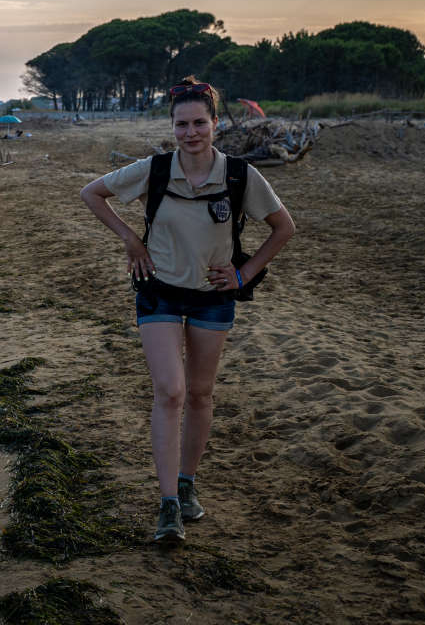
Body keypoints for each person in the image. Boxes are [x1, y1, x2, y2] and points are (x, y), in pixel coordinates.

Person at [80, 77, 295, 542]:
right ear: (172, 126)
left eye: (199, 123)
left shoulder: (239, 175)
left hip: (212, 296)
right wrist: (131, 240)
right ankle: (168, 506)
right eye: (182, 124)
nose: (190, 132)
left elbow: (283, 227)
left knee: (199, 394)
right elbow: (91, 193)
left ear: (215, 125)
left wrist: (243, 274)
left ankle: (188, 483)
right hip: (158, 289)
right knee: (170, 391)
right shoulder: (154, 170)